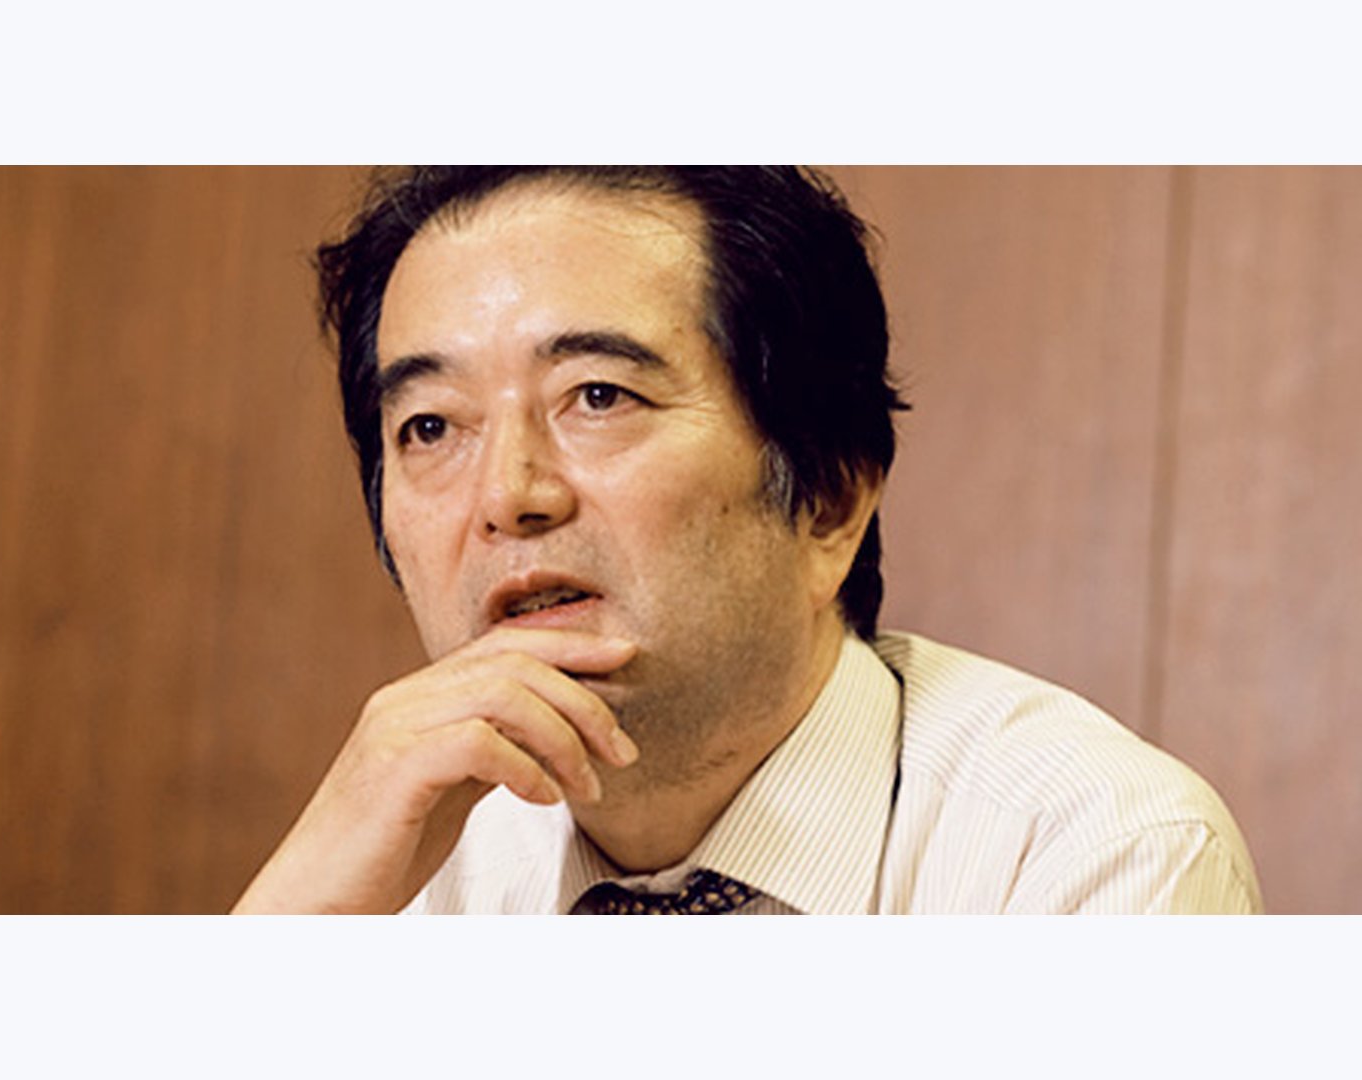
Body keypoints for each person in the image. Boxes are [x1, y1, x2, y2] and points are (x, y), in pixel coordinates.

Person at [232, 166, 1260, 915]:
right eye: (430, 427)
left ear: (828, 499)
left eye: (599, 396)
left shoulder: (1093, 854)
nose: (508, 496)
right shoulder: (411, 871)